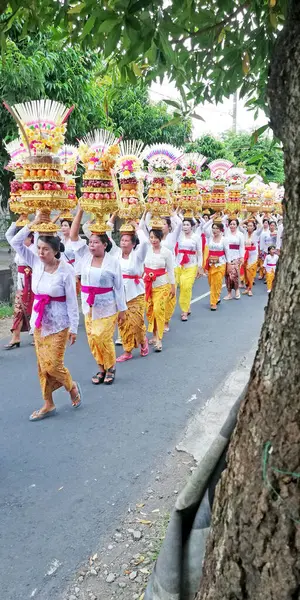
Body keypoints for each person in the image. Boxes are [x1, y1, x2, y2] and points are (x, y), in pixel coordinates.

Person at [10, 218, 81, 421]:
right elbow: (14, 241)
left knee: (52, 365)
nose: (40, 253)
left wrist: (74, 328)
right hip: (39, 321)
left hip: (59, 323)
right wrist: (32, 223)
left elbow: (71, 301)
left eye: (45, 250)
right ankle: (48, 403)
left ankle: (71, 386)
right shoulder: (35, 262)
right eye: (39, 248)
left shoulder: (66, 270)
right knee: (42, 366)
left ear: (56, 251)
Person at [70, 207, 127, 385]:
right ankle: (101, 367)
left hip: (108, 305)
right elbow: (73, 236)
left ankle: (111, 367)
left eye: (96, 242)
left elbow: (118, 287)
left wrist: (122, 309)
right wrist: (80, 211)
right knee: (93, 339)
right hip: (88, 305)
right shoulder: (84, 257)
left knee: (102, 336)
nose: (92, 245)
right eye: (90, 242)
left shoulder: (113, 261)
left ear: (104, 244)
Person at [112, 226, 149, 362]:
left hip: (136, 293)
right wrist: (109, 221)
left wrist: (138, 228)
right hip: (119, 293)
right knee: (123, 322)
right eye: (122, 240)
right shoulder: (115, 253)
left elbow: (145, 242)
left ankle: (142, 341)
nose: (124, 242)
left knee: (137, 322)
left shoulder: (138, 255)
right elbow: (108, 237)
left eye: (127, 240)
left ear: (133, 244)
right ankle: (127, 351)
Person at [144, 227, 175, 352]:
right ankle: (154, 335)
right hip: (148, 285)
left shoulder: (167, 252)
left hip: (162, 285)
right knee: (151, 311)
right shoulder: (146, 250)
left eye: (156, 237)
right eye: (151, 237)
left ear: (161, 238)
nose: (153, 240)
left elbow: (171, 270)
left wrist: (173, 287)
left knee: (159, 310)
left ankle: (159, 339)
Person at [4, 221, 34, 349]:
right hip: (22, 282)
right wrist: (18, 221)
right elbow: (8, 235)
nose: (21, 240)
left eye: (24, 237)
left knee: (33, 308)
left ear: (31, 237)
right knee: (18, 309)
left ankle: (36, 335)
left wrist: (36, 221)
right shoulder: (19, 246)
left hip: (33, 281)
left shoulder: (35, 248)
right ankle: (15, 337)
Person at [175, 218, 203, 321]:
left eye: (187, 225)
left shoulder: (196, 237)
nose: (185, 227)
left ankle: (184, 311)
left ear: (191, 226)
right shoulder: (179, 236)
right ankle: (187, 306)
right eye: (184, 225)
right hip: (179, 265)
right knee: (181, 287)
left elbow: (200, 252)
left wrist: (200, 267)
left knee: (186, 286)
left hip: (191, 265)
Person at [205, 219, 229, 311]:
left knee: (216, 282)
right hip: (211, 263)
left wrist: (229, 264)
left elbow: (227, 253)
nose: (214, 230)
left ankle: (213, 302)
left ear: (220, 230)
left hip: (221, 264)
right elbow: (204, 227)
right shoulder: (210, 237)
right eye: (213, 228)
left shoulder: (224, 239)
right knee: (211, 282)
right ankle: (217, 296)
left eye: (216, 228)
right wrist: (212, 219)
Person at [224, 217, 245, 300]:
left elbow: (242, 247)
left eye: (234, 224)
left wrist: (242, 256)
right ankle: (229, 293)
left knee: (234, 275)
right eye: (231, 224)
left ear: (237, 225)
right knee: (228, 276)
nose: (232, 226)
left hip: (236, 256)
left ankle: (236, 290)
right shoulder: (226, 233)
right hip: (227, 256)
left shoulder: (240, 234)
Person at [242, 217, 262, 297]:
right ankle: (247, 287)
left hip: (253, 255)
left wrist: (255, 216)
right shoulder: (244, 233)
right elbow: (240, 224)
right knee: (245, 272)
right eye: (248, 226)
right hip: (245, 254)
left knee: (250, 272)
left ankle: (250, 289)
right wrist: (248, 217)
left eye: (251, 226)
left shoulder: (256, 233)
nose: (249, 227)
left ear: (254, 227)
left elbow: (261, 224)